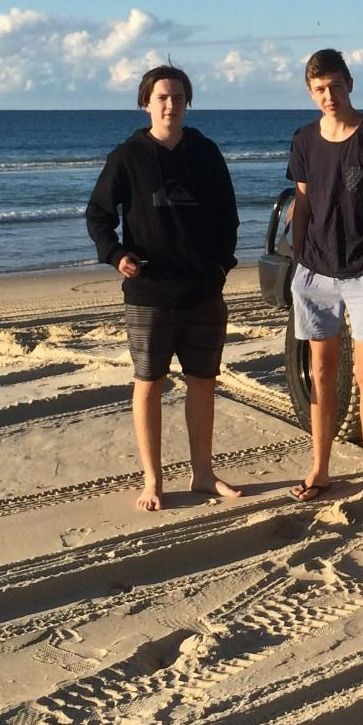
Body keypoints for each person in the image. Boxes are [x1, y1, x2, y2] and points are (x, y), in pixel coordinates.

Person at [86, 64, 243, 511]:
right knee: (149, 383)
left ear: (187, 103)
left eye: (177, 97)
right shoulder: (127, 156)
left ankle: (203, 474)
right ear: (146, 103)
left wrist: (221, 266)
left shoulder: (206, 153)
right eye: (162, 98)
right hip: (149, 294)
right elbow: (98, 213)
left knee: (203, 382)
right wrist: (116, 255)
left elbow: (228, 214)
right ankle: (152, 480)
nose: (170, 105)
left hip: (203, 292)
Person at [286, 47, 363, 499]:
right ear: (310, 92)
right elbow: (301, 204)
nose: (329, 96)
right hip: (315, 270)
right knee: (321, 372)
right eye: (319, 89)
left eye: (335, 86)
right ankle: (320, 468)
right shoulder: (303, 140)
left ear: (350, 83)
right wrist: (299, 259)